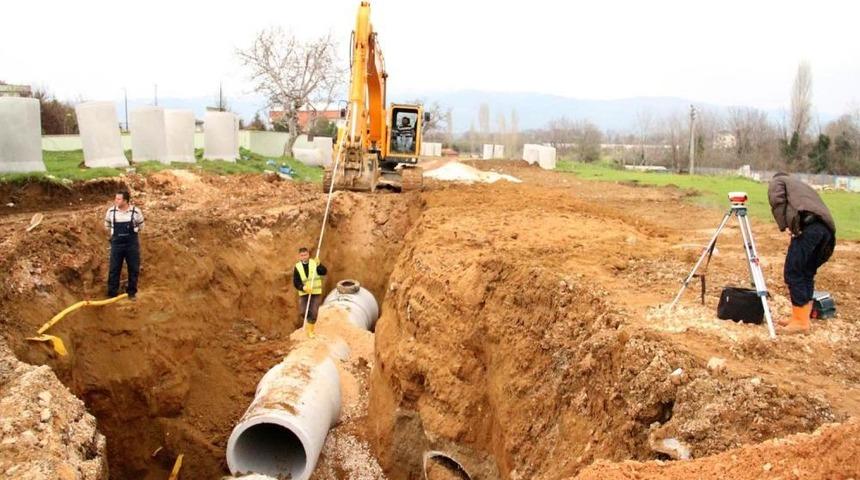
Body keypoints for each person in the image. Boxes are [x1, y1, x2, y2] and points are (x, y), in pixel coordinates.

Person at [767, 173, 836, 333]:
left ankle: (800, 322)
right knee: (806, 272)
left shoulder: (778, 181)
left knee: (793, 272)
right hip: (826, 230)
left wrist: (785, 226)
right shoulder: (800, 186)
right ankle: (802, 318)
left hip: (809, 228)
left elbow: (777, 200)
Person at [104, 190, 144, 300]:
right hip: (116, 243)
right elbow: (107, 224)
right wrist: (113, 232)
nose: (116, 201)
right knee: (114, 268)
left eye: (118, 199)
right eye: (116, 198)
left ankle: (131, 292)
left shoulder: (136, 212)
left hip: (131, 244)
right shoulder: (111, 211)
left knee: (133, 268)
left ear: (125, 201)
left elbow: (141, 225)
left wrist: (134, 230)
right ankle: (112, 293)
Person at [293, 247, 327, 338]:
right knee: (303, 311)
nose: (304, 257)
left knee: (314, 311)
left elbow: (323, 272)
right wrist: (303, 287)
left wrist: (319, 265)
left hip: (315, 292)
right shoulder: (297, 267)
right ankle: (308, 323)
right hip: (304, 292)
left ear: (308, 254)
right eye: (302, 255)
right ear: (299, 257)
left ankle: (311, 331)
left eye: (305, 255)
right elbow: (296, 282)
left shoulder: (314, 263)